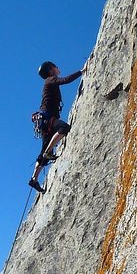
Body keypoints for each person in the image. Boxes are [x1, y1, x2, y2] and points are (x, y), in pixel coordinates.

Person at [28, 61, 87, 193]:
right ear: (50, 70)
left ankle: (34, 179)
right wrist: (81, 71)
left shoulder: (48, 82)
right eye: (55, 66)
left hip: (45, 121)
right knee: (64, 128)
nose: (58, 68)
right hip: (49, 119)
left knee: (43, 153)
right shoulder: (50, 80)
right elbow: (65, 80)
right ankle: (48, 152)